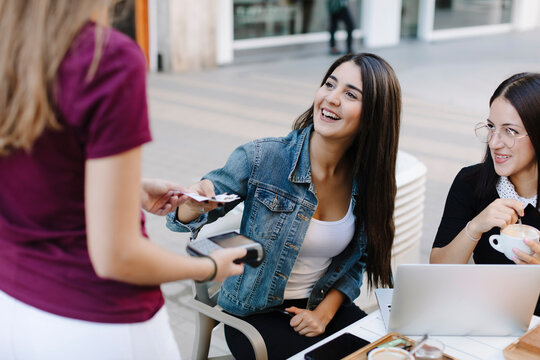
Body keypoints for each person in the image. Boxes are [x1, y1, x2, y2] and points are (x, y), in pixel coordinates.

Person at [0, 1, 245, 359]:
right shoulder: (106, 59)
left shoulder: (11, 47)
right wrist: (209, 267)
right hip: (98, 323)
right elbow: (117, 256)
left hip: (13, 308)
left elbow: (35, 175)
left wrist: (128, 187)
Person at [167, 53, 402, 359]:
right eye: (329, 85)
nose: (331, 98)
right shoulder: (264, 157)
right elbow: (181, 217)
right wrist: (193, 203)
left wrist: (324, 313)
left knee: (397, 351)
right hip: (254, 316)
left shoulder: (369, 181)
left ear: (374, 115)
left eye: (349, 94)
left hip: (321, 306)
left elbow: (357, 262)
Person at [431, 72, 540, 316]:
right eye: (491, 127)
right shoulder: (470, 182)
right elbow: (437, 272)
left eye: (510, 131)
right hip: (485, 320)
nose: (494, 142)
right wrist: (475, 226)